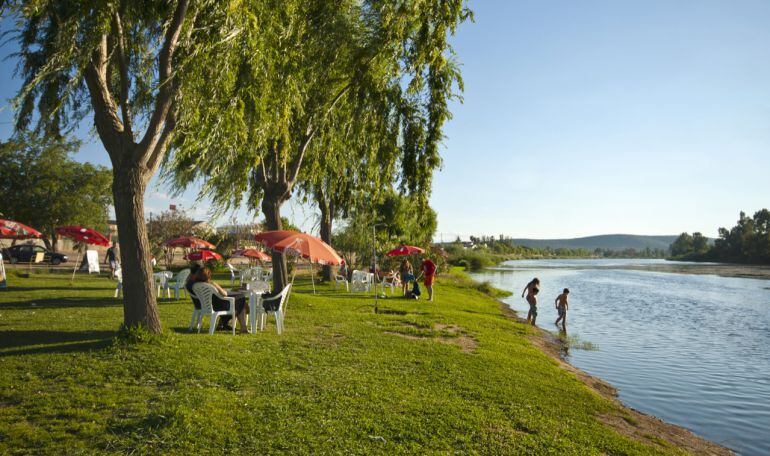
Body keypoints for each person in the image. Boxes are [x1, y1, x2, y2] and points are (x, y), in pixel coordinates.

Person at [196, 266, 249, 333]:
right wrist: (235, 291)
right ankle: (243, 328)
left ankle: (221, 325)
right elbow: (224, 294)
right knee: (241, 299)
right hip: (220, 307)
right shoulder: (212, 284)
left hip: (210, 306)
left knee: (240, 302)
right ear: (208, 275)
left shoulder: (197, 285)